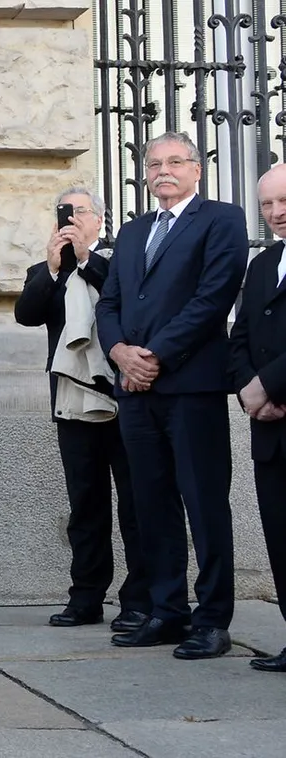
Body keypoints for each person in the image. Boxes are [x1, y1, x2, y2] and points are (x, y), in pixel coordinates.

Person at [95, 132, 249, 659]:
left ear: (197, 169)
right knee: (150, 502)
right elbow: (109, 301)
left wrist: (153, 355)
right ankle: (167, 611)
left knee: (204, 503)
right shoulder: (134, 232)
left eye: (175, 162)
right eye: (154, 163)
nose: (163, 170)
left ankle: (212, 620)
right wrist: (118, 351)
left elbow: (213, 297)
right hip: (135, 391)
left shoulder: (222, 220)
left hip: (191, 386)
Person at [13, 188, 150, 633]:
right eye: (64, 214)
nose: (71, 220)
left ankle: (139, 598)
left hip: (122, 396)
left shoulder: (114, 265)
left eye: (80, 213)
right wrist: (54, 268)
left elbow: (120, 295)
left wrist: (85, 258)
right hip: (73, 402)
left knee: (135, 503)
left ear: (99, 221)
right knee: (86, 507)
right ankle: (86, 597)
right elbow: (27, 313)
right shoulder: (47, 271)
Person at [229, 164, 286, 673]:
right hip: (268, 428)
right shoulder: (263, 264)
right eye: (267, 205)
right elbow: (240, 334)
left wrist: (267, 384)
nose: (276, 213)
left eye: (284, 201)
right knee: (281, 538)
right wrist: (251, 391)